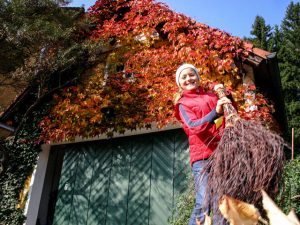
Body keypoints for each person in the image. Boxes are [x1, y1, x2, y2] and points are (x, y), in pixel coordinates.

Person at [174, 64, 231, 225]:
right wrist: (215, 112)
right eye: (183, 77)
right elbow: (194, 126)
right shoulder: (182, 104)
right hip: (201, 159)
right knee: (204, 201)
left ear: (198, 78)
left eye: (191, 75)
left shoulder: (212, 97)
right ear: (179, 83)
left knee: (221, 201)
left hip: (220, 154)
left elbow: (228, 115)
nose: (188, 79)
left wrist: (226, 96)